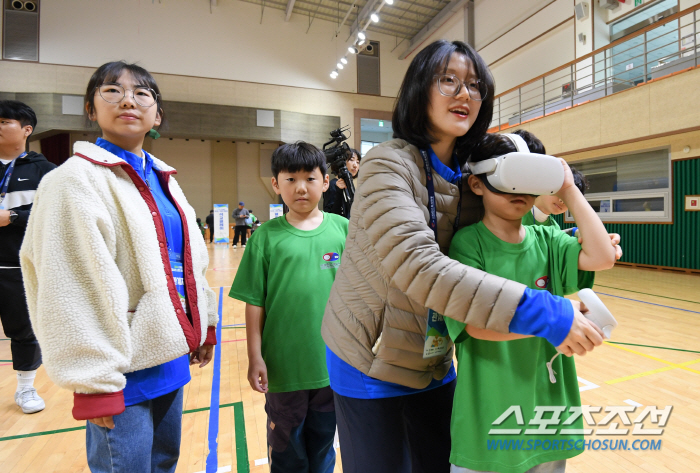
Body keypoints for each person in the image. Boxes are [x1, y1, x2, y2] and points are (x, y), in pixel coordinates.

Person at [321, 40, 605, 473]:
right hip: (370, 363)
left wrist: (569, 213)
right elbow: (420, 266)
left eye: (474, 85)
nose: (464, 94)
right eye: (447, 80)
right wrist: (547, 313)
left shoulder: (472, 172)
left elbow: (520, 227)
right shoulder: (387, 166)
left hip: (436, 361)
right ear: (420, 90)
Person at [20, 61, 218, 473]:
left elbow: (189, 262)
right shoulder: (72, 180)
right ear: (91, 109)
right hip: (120, 371)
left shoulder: (163, 178)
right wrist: (93, 382)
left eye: (142, 93)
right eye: (112, 91)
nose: (129, 99)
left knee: (164, 464)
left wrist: (202, 325)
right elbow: (67, 287)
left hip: (168, 354)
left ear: (157, 114)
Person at [445, 132, 616, 473]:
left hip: (547, 406)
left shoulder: (547, 238)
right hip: (492, 408)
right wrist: (556, 321)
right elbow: (476, 326)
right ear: (477, 185)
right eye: (508, 182)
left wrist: (568, 187)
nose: (518, 192)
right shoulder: (467, 244)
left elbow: (602, 256)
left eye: (530, 182)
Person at [229, 142, 348, 473]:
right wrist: (256, 356)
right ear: (275, 184)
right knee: (287, 449)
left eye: (310, 178)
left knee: (324, 445)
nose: (300, 187)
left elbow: (357, 293)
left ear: (325, 182)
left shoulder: (343, 230)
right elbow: (255, 303)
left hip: (331, 365)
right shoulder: (265, 237)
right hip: (283, 370)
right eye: (290, 178)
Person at [0, 100, 56, 414]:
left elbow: (56, 213)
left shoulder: (44, 170)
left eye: (4, 121)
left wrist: (12, 217)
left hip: (18, 266)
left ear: (26, 129)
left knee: (23, 330)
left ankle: (25, 389)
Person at [323, 148, 360, 218]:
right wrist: (339, 191)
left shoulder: (349, 184)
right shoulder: (332, 185)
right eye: (351, 160)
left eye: (357, 162)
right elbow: (330, 214)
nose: (355, 165)